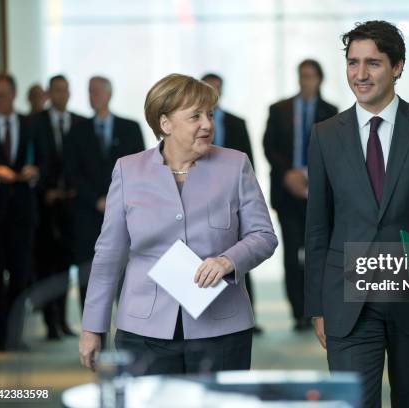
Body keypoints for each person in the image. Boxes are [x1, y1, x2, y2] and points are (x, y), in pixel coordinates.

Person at [304, 21, 409, 407]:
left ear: (397, 67)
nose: (360, 74)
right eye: (352, 63)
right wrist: (316, 305)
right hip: (348, 298)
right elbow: (318, 227)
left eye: (373, 63)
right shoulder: (325, 134)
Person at [78, 74, 277, 375]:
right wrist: (93, 327)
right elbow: (109, 255)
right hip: (144, 329)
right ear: (165, 123)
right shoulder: (128, 170)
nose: (207, 124)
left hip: (222, 327)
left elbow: (263, 235)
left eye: (209, 114)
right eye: (195, 116)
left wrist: (227, 260)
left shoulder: (236, 165)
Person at [263, 59, 337, 331]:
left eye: (311, 76)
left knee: (317, 252)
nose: (306, 80)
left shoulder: (331, 111)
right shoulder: (279, 109)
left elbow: (334, 151)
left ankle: (316, 308)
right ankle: (298, 312)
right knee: (292, 254)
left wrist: (309, 175)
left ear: (320, 79)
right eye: (302, 75)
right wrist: (288, 174)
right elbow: (269, 146)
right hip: (286, 191)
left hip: (317, 192)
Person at [63, 76, 145, 316]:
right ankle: (92, 333)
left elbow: (141, 169)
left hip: (123, 214)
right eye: (90, 91)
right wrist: (96, 200)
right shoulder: (77, 131)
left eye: (98, 91)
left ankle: (128, 329)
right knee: (89, 276)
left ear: (110, 94)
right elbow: (71, 173)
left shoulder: (130, 128)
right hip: (87, 215)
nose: (93, 96)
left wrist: (115, 201)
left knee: (124, 274)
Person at [0, 73, 43, 351]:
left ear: (14, 94)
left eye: (3, 96)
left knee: (21, 275)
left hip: (22, 213)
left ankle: (15, 333)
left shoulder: (29, 124)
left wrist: (36, 172)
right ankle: (0, 337)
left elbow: (46, 159)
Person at [201, 72, 263, 334]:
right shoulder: (194, 126)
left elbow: (249, 162)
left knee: (239, 255)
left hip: (233, 200)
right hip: (202, 198)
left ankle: (248, 315)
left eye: (216, 88)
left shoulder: (237, 122)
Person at [32, 74, 85, 340]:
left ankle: (63, 320)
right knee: (47, 266)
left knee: (66, 266)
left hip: (72, 207)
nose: (60, 95)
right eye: (55, 90)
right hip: (44, 207)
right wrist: (45, 190)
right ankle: (50, 322)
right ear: (49, 93)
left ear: (69, 93)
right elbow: (31, 161)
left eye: (64, 90)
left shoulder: (79, 123)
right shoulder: (35, 123)